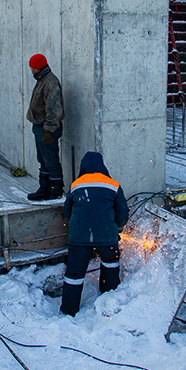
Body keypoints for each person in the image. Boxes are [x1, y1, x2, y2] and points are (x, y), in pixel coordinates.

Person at [60, 152, 129, 316]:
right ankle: (108, 297)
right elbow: (123, 213)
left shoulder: (76, 185)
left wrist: (79, 227)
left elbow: (67, 212)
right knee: (110, 263)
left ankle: (69, 309)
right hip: (106, 236)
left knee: (74, 273)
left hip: (78, 238)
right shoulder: (113, 184)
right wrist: (117, 228)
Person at [26, 53, 65, 200]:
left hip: (47, 128)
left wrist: (48, 130)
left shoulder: (50, 82)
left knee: (51, 160)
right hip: (40, 127)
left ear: (37, 68)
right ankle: (44, 189)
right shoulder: (42, 79)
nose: (31, 70)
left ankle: (55, 192)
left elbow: (54, 109)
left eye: (32, 67)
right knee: (43, 159)